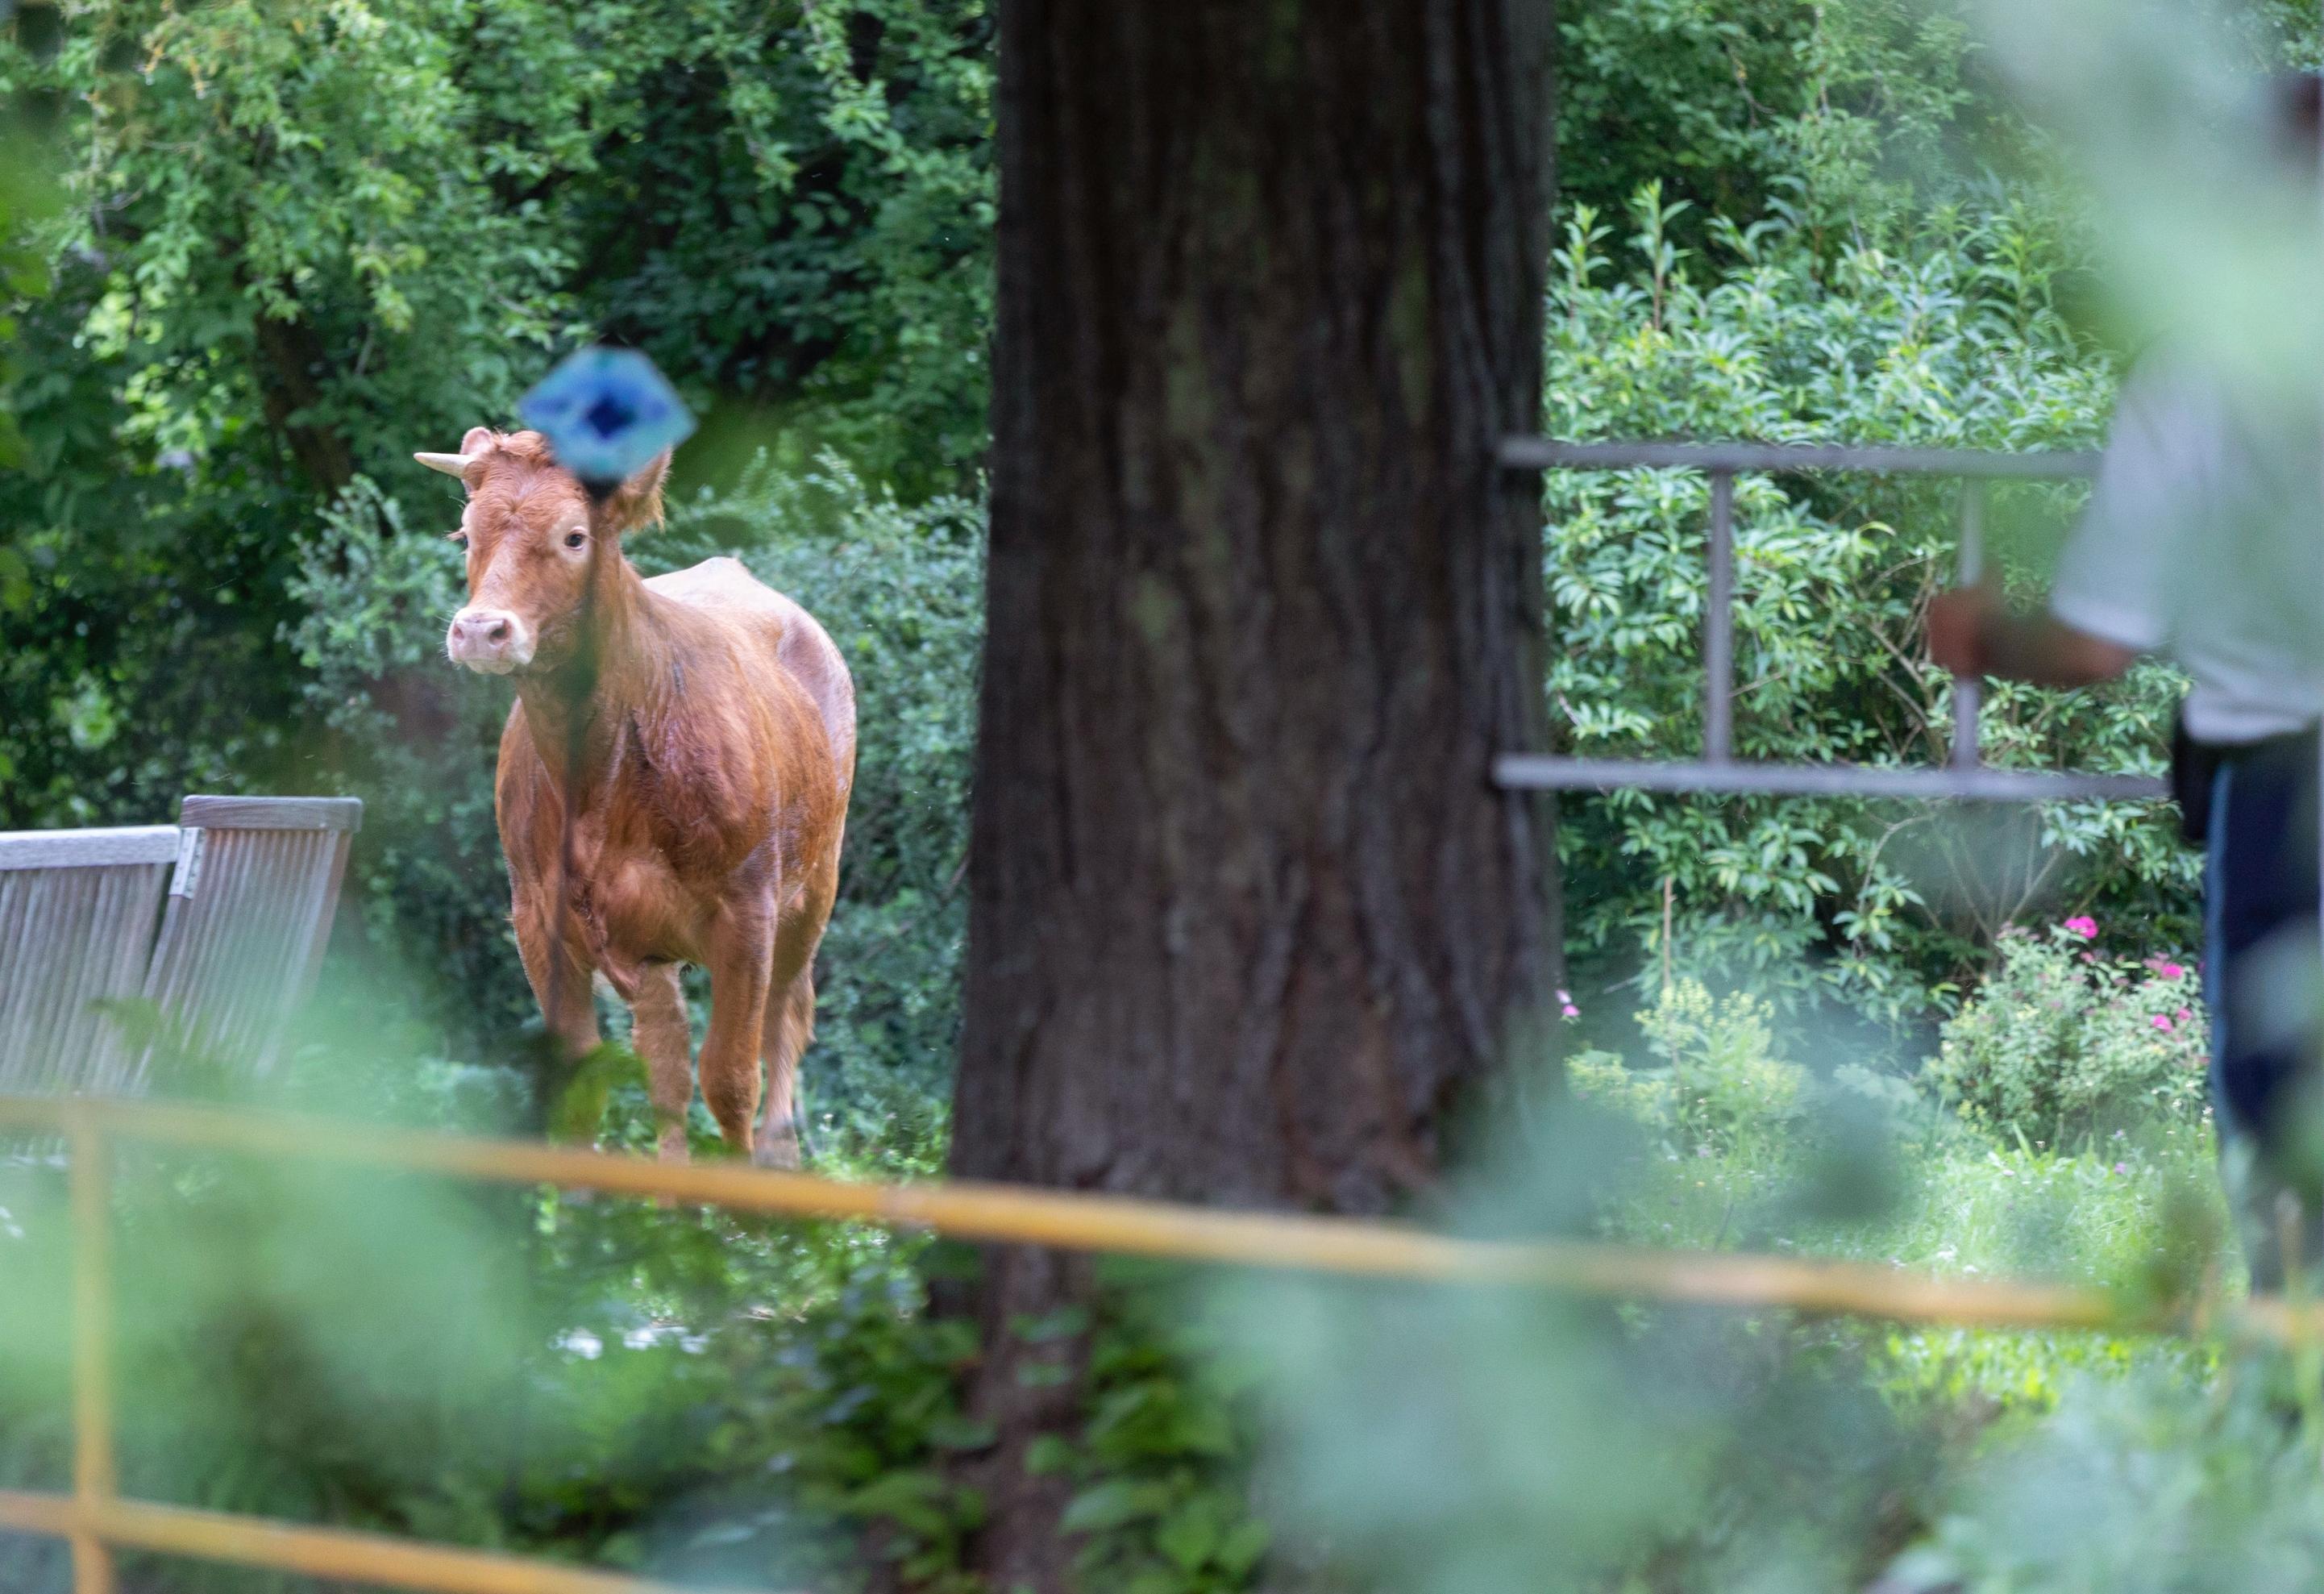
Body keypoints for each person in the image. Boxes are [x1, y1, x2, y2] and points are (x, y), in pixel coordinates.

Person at [1928, 77, 2324, 1286]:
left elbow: (2098, 646)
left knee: (2284, 1169)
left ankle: (2286, 1433)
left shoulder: (2199, 373)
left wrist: (1979, 635)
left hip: (2281, 800)